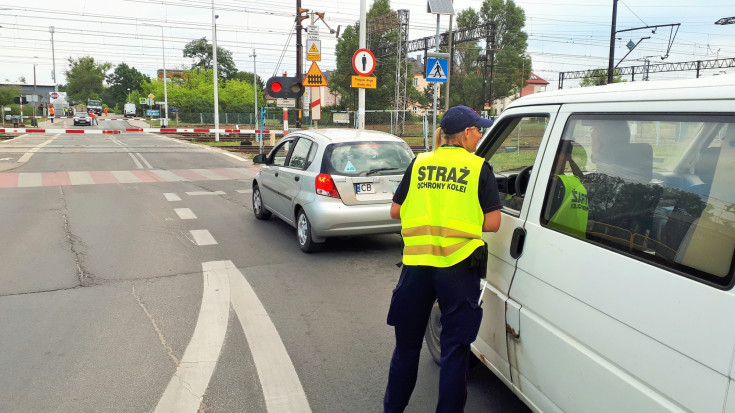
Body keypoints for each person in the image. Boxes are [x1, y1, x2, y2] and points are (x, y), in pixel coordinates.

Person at [384, 106, 502, 413]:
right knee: (454, 353)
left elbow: (396, 211)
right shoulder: (478, 168)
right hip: (458, 269)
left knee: (406, 349)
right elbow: (492, 223)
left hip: (416, 267)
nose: (480, 135)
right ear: (465, 134)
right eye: (478, 130)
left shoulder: (420, 162)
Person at [545, 140, 588, 238]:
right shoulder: (575, 181)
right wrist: (570, 160)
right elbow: (582, 178)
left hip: (552, 236)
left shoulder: (552, 183)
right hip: (580, 239)